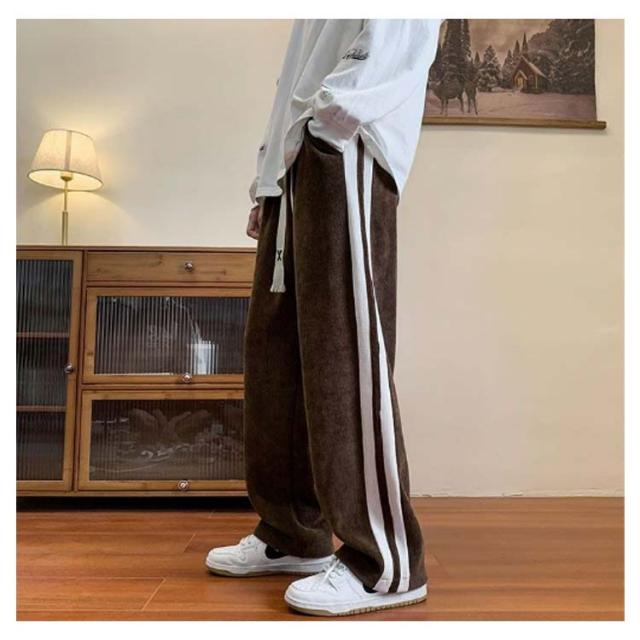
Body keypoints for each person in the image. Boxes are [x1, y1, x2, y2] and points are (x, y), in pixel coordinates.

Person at [206, 18, 442, 617]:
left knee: (344, 356)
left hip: (346, 148)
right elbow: (298, 71)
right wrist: (268, 181)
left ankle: (384, 561)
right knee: (276, 360)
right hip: (296, 164)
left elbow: (401, 30)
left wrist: (328, 127)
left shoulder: (335, 134)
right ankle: (292, 532)